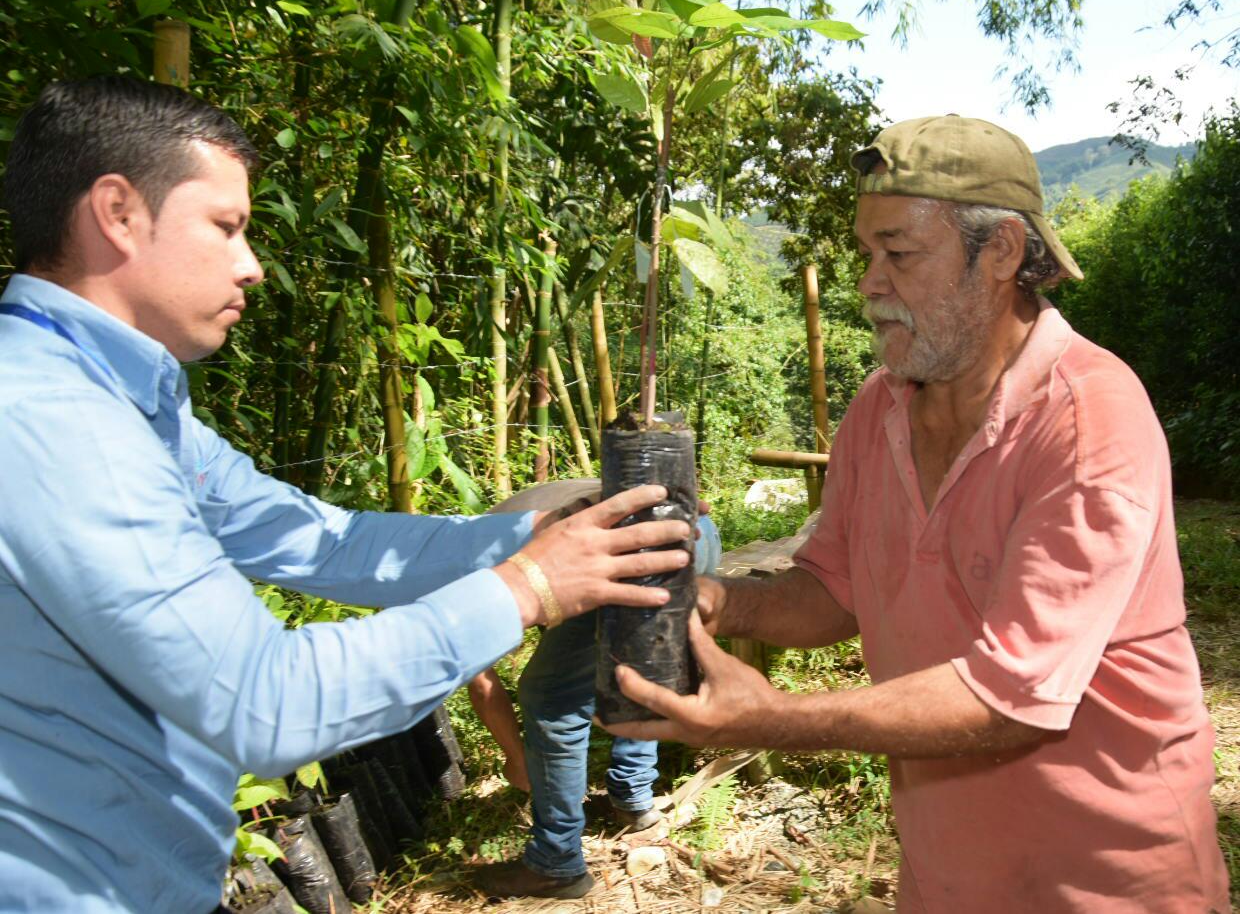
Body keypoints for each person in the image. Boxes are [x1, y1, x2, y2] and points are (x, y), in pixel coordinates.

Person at [0, 77, 693, 914]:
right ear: (117, 213)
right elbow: (262, 703)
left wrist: (535, 536)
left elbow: (322, 542)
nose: (251, 265)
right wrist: (530, 588)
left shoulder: (129, 405)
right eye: (226, 227)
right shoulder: (52, 420)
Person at [606, 115, 1231, 912]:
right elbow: (835, 589)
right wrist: (714, 603)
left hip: (1110, 877)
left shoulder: (1087, 418)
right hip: (950, 872)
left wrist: (773, 719)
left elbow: (1011, 695)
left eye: (898, 253)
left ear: (1001, 252)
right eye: (867, 255)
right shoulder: (880, 408)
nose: (869, 281)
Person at [472, 479, 722, 900]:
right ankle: (633, 799)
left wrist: (518, 760)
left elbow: (481, 681)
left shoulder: (449, 582)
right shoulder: (479, 535)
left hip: (630, 548)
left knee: (551, 697)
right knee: (634, 671)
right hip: (694, 532)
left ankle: (556, 864)